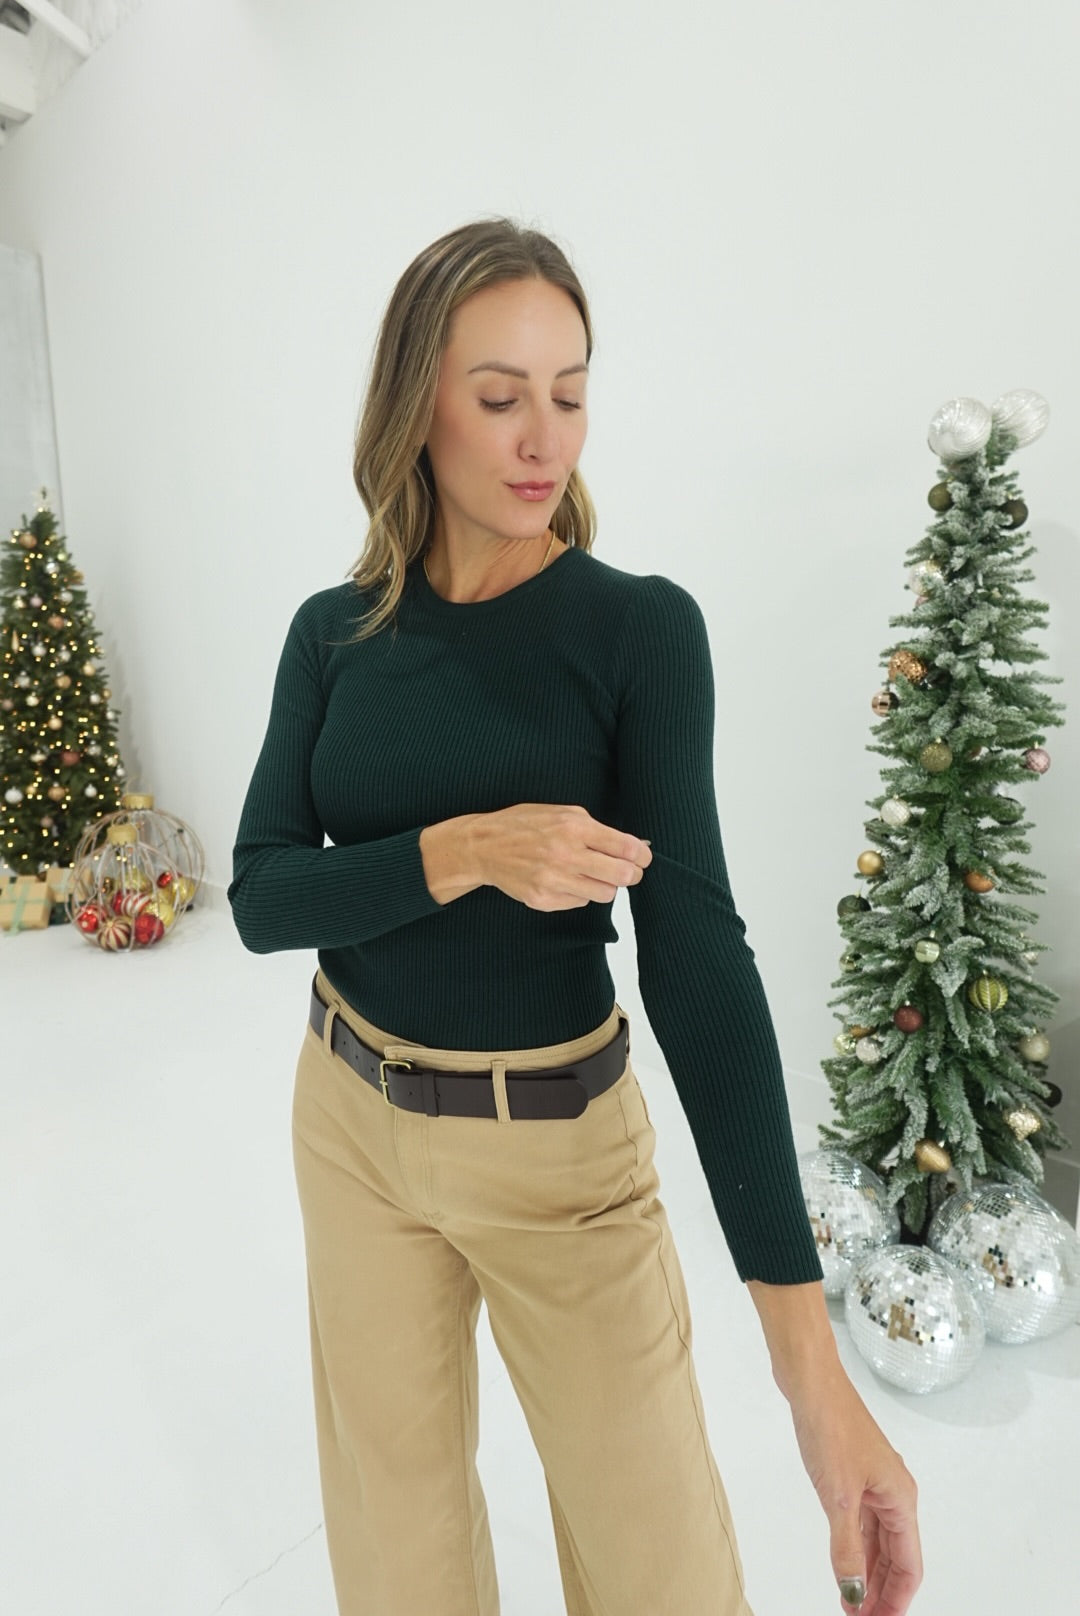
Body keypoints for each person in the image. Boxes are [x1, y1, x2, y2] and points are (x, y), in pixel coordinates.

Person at [228, 216, 922, 1616]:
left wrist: (814, 1378)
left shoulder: (638, 633)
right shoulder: (333, 632)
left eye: (570, 392)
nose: (545, 437)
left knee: (662, 1571)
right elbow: (259, 894)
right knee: (396, 1548)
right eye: (500, 397)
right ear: (417, 406)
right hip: (351, 1127)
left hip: (561, 1155)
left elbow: (699, 963)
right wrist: (461, 851)